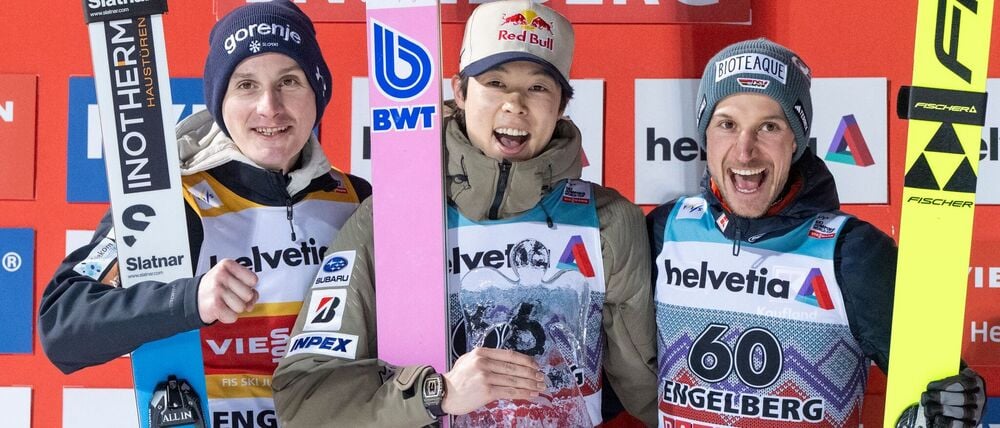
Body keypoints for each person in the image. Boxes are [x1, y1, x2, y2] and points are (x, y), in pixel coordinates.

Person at [272, 0, 658, 426]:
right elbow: (304, 401)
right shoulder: (390, 218)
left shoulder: (606, 221)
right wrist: (436, 394)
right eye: (495, 81)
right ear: (460, 91)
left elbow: (655, 392)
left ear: (562, 104)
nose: (515, 104)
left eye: (538, 87)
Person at [39, 1, 370, 425]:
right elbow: (64, 326)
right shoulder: (173, 202)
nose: (270, 107)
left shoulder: (356, 200)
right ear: (220, 100)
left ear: (318, 92)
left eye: (289, 81)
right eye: (246, 85)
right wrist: (187, 299)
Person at [647, 38, 986, 428]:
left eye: (769, 127)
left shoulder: (854, 254)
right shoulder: (665, 232)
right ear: (705, 134)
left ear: (796, 141)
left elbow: (932, 398)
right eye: (727, 124)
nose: (744, 151)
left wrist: (951, 408)